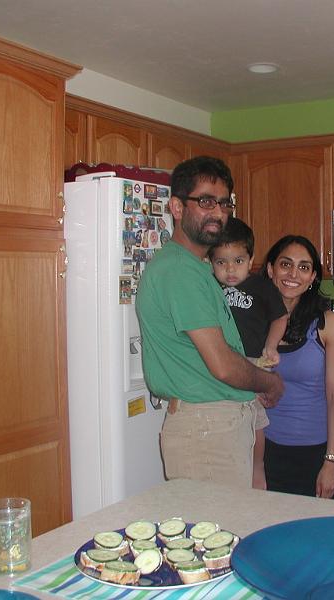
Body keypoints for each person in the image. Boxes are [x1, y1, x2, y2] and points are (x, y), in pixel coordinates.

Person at [135, 156, 284, 489]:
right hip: (206, 430)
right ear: (176, 207)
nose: (218, 212)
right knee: (216, 536)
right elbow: (223, 365)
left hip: (213, 426)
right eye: (205, 201)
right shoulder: (181, 271)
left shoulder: (194, 268)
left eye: (224, 203)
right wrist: (270, 383)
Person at [261, 235, 334, 499]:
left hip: (316, 453)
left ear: (312, 278)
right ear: (270, 269)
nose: (293, 274)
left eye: (304, 267)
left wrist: (331, 462)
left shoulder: (327, 324)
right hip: (265, 451)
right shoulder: (253, 321)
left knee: (319, 536)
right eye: (285, 264)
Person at [209, 217, 289, 489]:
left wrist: (271, 345)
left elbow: (280, 317)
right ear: (210, 262)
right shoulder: (208, 286)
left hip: (253, 362)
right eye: (221, 262)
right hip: (219, 361)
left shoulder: (262, 287)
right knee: (227, 421)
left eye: (238, 261)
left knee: (256, 422)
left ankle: (257, 469)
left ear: (251, 258)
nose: (230, 270)